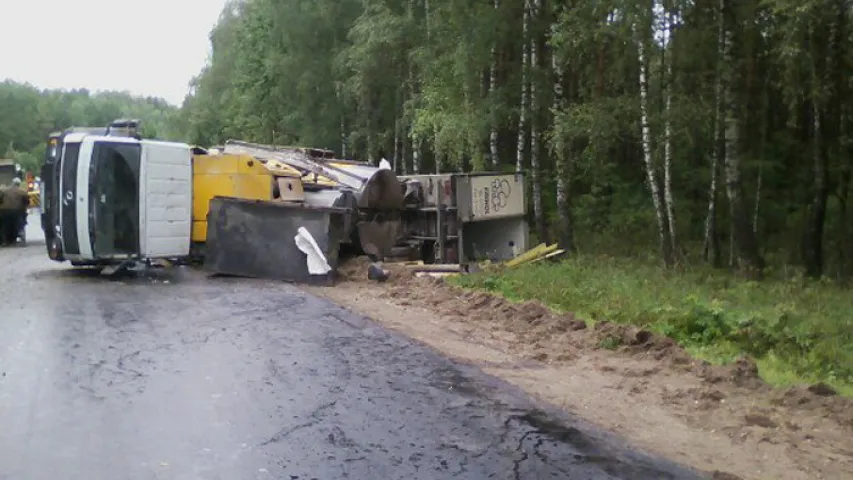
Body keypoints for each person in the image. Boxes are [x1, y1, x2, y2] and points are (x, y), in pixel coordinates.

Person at [0, 178, 29, 245]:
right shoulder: (22, 191)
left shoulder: (4, 190)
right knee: (20, 225)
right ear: (19, 184)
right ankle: (22, 240)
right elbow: (26, 201)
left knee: (4, 226)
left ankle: (4, 241)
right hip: (17, 211)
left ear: (12, 183)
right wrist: (23, 208)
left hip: (5, 211)